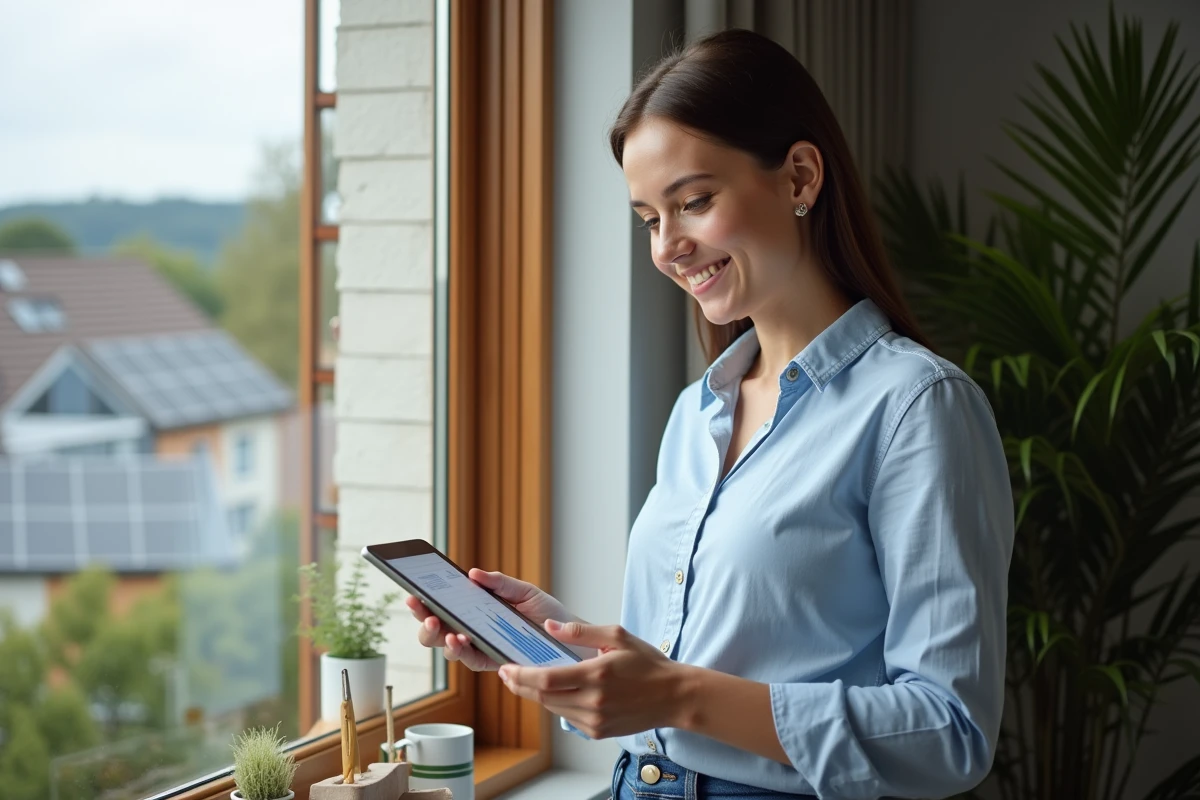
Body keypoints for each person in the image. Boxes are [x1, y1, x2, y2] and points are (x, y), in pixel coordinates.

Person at [405, 28, 1014, 800]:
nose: (669, 247)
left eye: (694, 202)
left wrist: (676, 696)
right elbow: (688, 673)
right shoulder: (698, 412)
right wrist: (555, 645)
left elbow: (949, 732)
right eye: (649, 219)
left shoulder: (916, 409)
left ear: (799, 177)